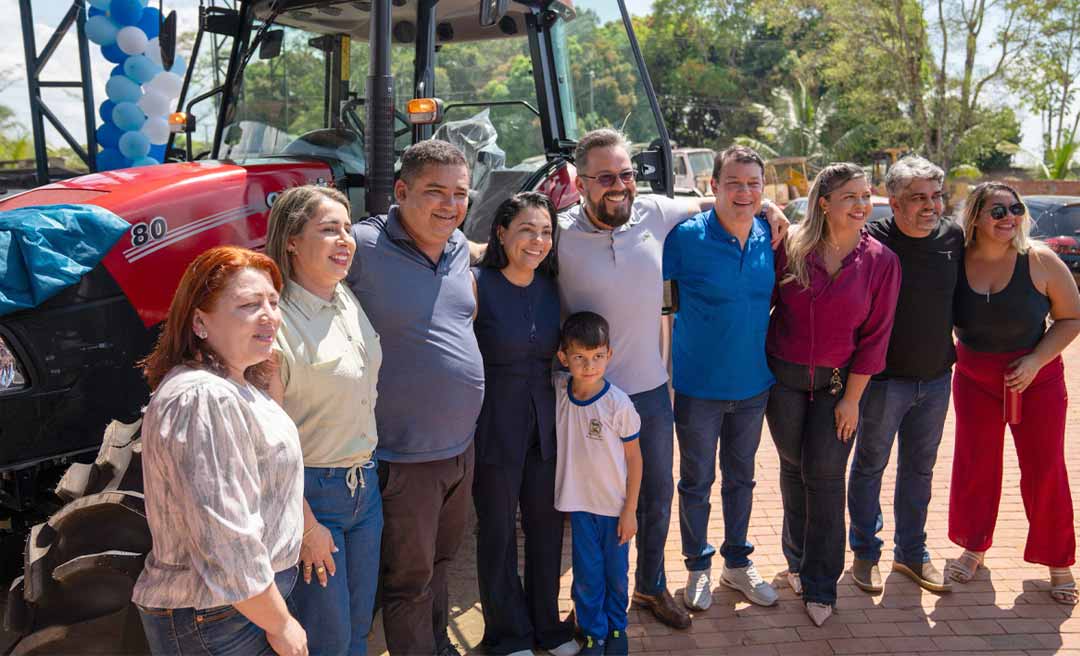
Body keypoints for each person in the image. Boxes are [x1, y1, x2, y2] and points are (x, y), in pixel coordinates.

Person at [556, 128, 788, 627]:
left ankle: (651, 586)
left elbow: (718, 199)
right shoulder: (556, 232)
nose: (618, 186)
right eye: (604, 178)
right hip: (584, 394)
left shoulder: (655, 215)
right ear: (580, 183)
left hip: (648, 389)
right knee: (592, 501)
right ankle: (590, 600)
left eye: (625, 174)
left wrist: (767, 208)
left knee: (657, 496)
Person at [132, 246, 308, 656]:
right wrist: (279, 623)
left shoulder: (229, 383)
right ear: (199, 321)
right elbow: (225, 537)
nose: (269, 315)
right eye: (248, 304)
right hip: (220, 615)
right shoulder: (203, 397)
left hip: (238, 607)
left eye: (273, 302)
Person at [346, 140, 484, 656]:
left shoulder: (455, 249)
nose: (449, 205)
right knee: (408, 579)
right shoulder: (360, 248)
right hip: (402, 456)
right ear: (401, 191)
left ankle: (439, 646)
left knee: (442, 562)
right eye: (435, 192)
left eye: (460, 194)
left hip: (459, 449)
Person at [765, 163, 901, 626]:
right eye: (851, 196)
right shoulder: (790, 249)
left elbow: (876, 338)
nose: (863, 204)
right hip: (782, 380)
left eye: (866, 195)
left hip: (837, 387)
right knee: (792, 468)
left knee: (824, 478)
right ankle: (797, 561)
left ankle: (822, 585)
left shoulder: (881, 261)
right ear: (824, 201)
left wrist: (852, 400)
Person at [947, 181, 1080, 605]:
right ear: (976, 218)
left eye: (1015, 208)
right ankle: (974, 548)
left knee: (1044, 469)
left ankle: (1059, 561)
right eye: (997, 211)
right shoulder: (954, 261)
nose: (1009, 218)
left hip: (1035, 378)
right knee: (975, 466)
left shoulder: (1039, 260)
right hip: (974, 379)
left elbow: (1071, 318)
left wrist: (1036, 361)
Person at [265, 186, 383, 656]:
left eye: (348, 229)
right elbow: (267, 447)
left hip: (364, 489)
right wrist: (307, 524)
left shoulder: (345, 299)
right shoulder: (274, 321)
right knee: (326, 641)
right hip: (312, 495)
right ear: (292, 240)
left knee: (356, 630)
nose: (345, 240)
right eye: (329, 229)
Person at [662, 145, 778, 611]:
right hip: (697, 388)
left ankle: (736, 563)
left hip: (754, 386)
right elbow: (651, 294)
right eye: (734, 183)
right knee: (695, 482)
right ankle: (697, 568)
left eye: (753, 184)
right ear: (715, 187)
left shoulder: (769, 234)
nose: (744, 192)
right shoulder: (686, 237)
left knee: (742, 479)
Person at [846, 156, 963, 594]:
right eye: (918, 198)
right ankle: (865, 553)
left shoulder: (953, 237)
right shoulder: (872, 240)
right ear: (893, 203)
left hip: (935, 379)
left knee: (920, 469)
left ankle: (911, 554)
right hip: (881, 381)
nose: (930, 206)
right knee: (869, 467)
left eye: (936, 196)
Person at [471, 192, 578, 656]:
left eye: (546, 232)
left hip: (545, 427)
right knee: (496, 531)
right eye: (526, 230)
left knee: (546, 528)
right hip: (493, 424)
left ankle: (547, 628)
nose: (537, 241)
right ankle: (507, 633)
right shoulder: (478, 284)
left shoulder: (552, 287)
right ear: (501, 234)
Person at [553, 311, 642, 656]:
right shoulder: (559, 389)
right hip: (580, 507)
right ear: (564, 358)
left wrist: (630, 510)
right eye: (579, 358)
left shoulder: (618, 404)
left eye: (597, 357)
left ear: (609, 355)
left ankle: (617, 629)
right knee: (587, 576)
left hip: (614, 508)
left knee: (616, 574)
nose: (589, 366)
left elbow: (635, 458)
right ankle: (593, 634)